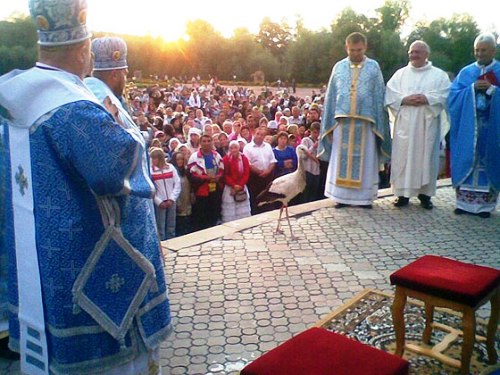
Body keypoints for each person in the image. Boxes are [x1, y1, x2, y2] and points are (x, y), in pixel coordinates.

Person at [0, 1, 172, 373]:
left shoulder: (14, 97)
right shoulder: (74, 108)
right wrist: (128, 134)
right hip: (90, 277)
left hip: (44, 263)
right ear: (83, 50)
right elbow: (117, 170)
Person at [318, 32, 391, 209]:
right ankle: (341, 197)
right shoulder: (339, 67)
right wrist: (329, 122)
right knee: (340, 159)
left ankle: (364, 198)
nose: (355, 53)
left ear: (365, 48)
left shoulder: (373, 67)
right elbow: (331, 96)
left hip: (366, 123)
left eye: (359, 50)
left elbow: (379, 94)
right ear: (346, 47)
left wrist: (378, 121)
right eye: (352, 50)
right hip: (342, 123)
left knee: (365, 160)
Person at [385, 41, 451, 209]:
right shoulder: (400, 74)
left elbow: (446, 94)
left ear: (426, 54)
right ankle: (402, 195)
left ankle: (425, 195)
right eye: (411, 52)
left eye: (417, 52)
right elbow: (390, 94)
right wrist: (404, 100)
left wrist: (427, 99)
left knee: (426, 158)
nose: (413, 55)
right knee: (403, 158)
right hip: (405, 126)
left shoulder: (439, 75)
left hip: (426, 125)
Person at [448, 33, 500, 218]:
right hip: (468, 128)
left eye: (483, 50)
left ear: (493, 50)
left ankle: (485, 207)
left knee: (488, 162)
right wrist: (471, 90)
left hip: (491, 128)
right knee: (466, 158)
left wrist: (493, 90)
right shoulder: (466, 72)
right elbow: (452, 96)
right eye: (476, 50)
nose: (479, 53)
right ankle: (463, 203)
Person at [188, 134, 224, 230]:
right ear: (200, 143)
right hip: (201, 191)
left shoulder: (216, 155)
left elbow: (221, 170)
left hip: (215, 189)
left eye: (209, 141)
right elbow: (192, 175)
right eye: (204, 141)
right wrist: (205, 178)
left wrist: (217, 177)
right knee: (202, 216)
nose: (207, 143)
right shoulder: (194, 157)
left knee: (214, 212)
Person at [243, 127, 277, 214]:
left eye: (262, 135)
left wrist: (268, 171)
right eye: (258, 134)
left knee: (267, 198)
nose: (259, 136)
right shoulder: (247, 147)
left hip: (267, 177)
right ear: (254, 133)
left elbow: (272, 161)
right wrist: (260, 172)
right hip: (255, 178)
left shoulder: (268, 146)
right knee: (255, 199)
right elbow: (248, 164)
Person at [150, 147, 181, 240]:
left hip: (171, 200)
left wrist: (172, 198)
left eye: (155, 158)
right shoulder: (151, 171)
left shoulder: (171, 168)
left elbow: (177, 183)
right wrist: (158, 201)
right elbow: (151, 188)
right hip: (160, 202)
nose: (153, 160)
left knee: (171, 225)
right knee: (160, 227)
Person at [221, 140, 251, 222]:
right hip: (230, 188)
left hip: (241, 187)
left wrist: (240, 185)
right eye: (231, 148)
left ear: (239, 148)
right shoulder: (226, 159)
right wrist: (233, 185)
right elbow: (225, 174)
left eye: (235, 147)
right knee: (230, 210)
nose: (234, 150)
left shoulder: (244, 158)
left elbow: (246, 173)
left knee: (242, 209)